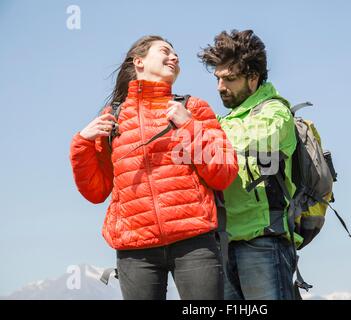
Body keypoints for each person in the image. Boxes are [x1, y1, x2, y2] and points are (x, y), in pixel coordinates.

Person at [69, 35, 238, 300]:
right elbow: (96, 192)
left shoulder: (192, 108)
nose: (175, 57)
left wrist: (189, 127)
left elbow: (224, 173)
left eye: (176, 54)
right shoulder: (111, 118)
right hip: (135, 248)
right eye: (165, 51)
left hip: (194, 242)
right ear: (139, 62)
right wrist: (81, 144)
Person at [199, 29, 301, 300]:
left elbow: (252, 140)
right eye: (218, 78)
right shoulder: (222, 122)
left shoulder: (275, 112)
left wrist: (198, 134)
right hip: (224, 243)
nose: (221, 87)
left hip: (264, 242)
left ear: (253, 78)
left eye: (230, 79)